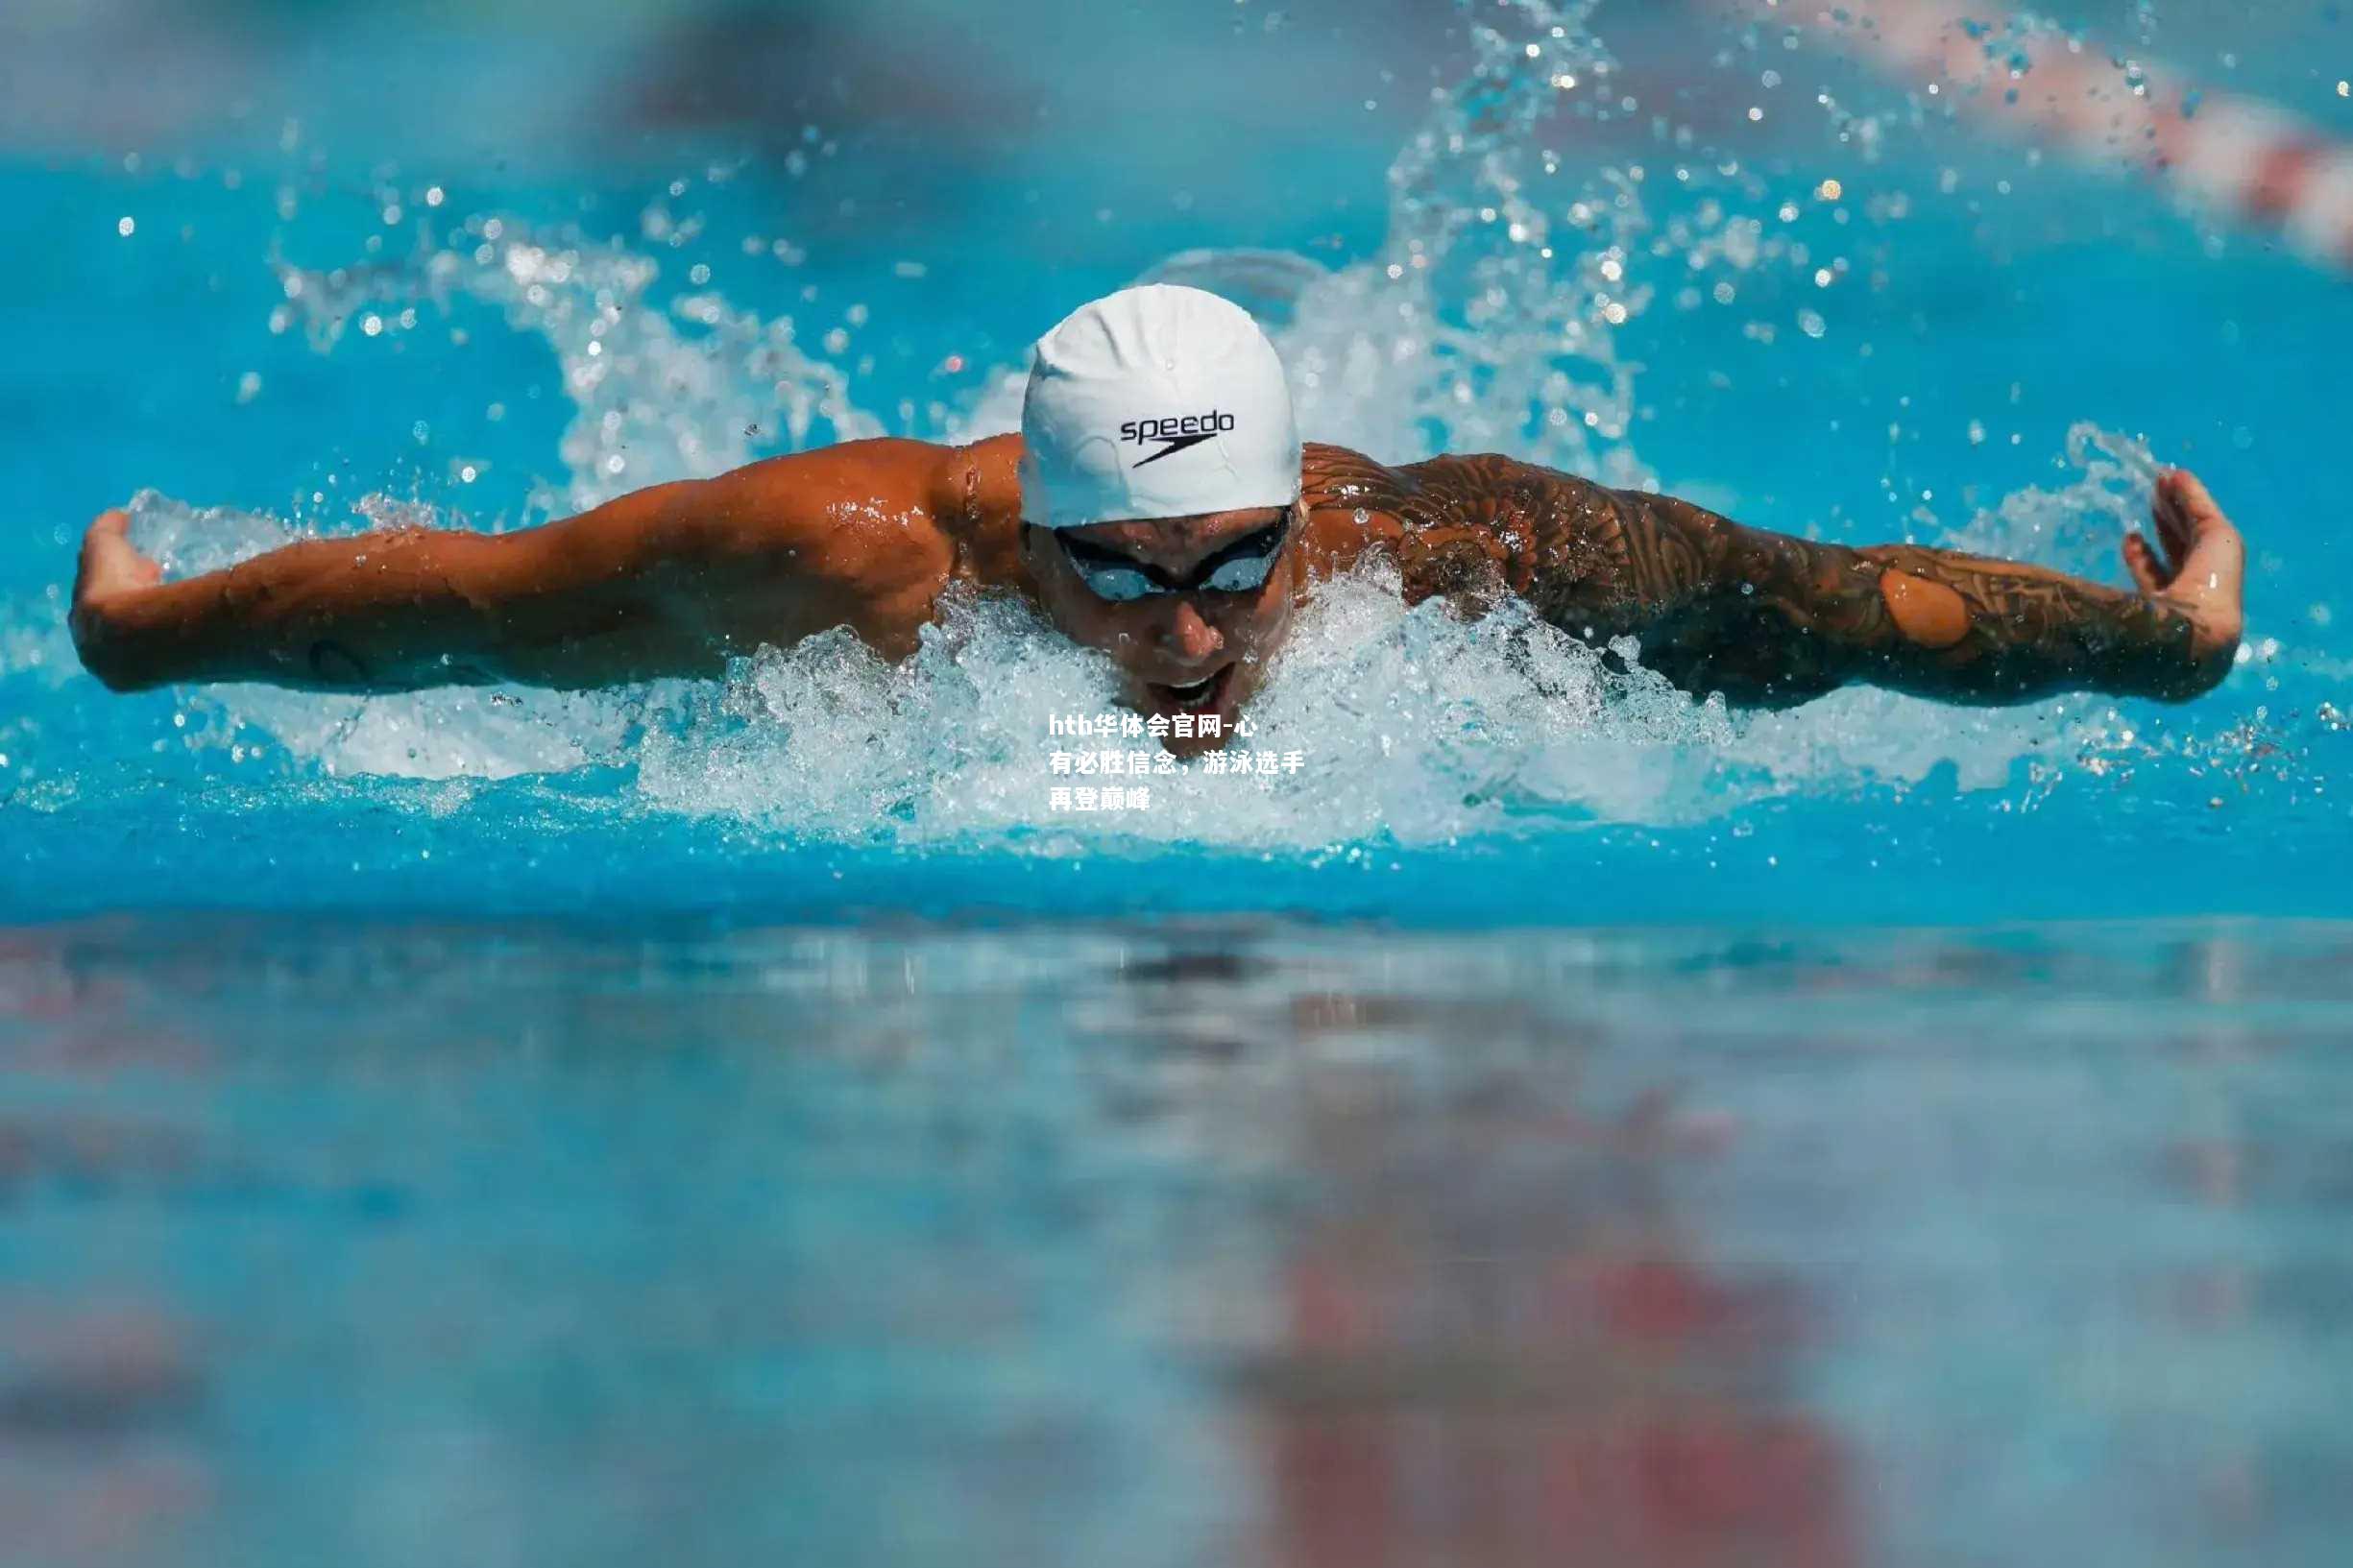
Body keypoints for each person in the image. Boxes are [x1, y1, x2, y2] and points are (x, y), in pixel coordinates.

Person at [69, 285, 2244, 755]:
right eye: (1115, 573)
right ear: (1025, 537)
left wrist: (2161, 645)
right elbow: (464, 610)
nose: (1186, 630)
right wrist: (143, 635)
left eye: (1234, 569)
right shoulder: (844, 558)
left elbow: (1816, 606)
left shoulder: (1435, 549)